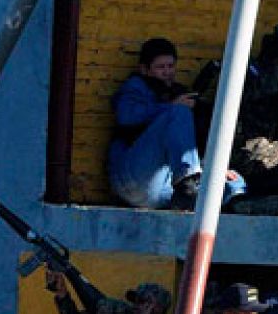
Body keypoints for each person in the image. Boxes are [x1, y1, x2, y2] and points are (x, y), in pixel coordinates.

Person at [109, 38, 261, 212]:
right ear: (145, 69)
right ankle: (189, 184)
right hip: (132, 180)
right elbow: (126, 117)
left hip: (166, 189)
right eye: (161, 67)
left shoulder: (177, 92)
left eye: (171, 66)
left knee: (233, 180)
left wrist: (214, 168)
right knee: (179, 112)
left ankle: (235, 201)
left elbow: (187, 144)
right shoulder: (135, 87)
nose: (168, 72)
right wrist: (172, 106)